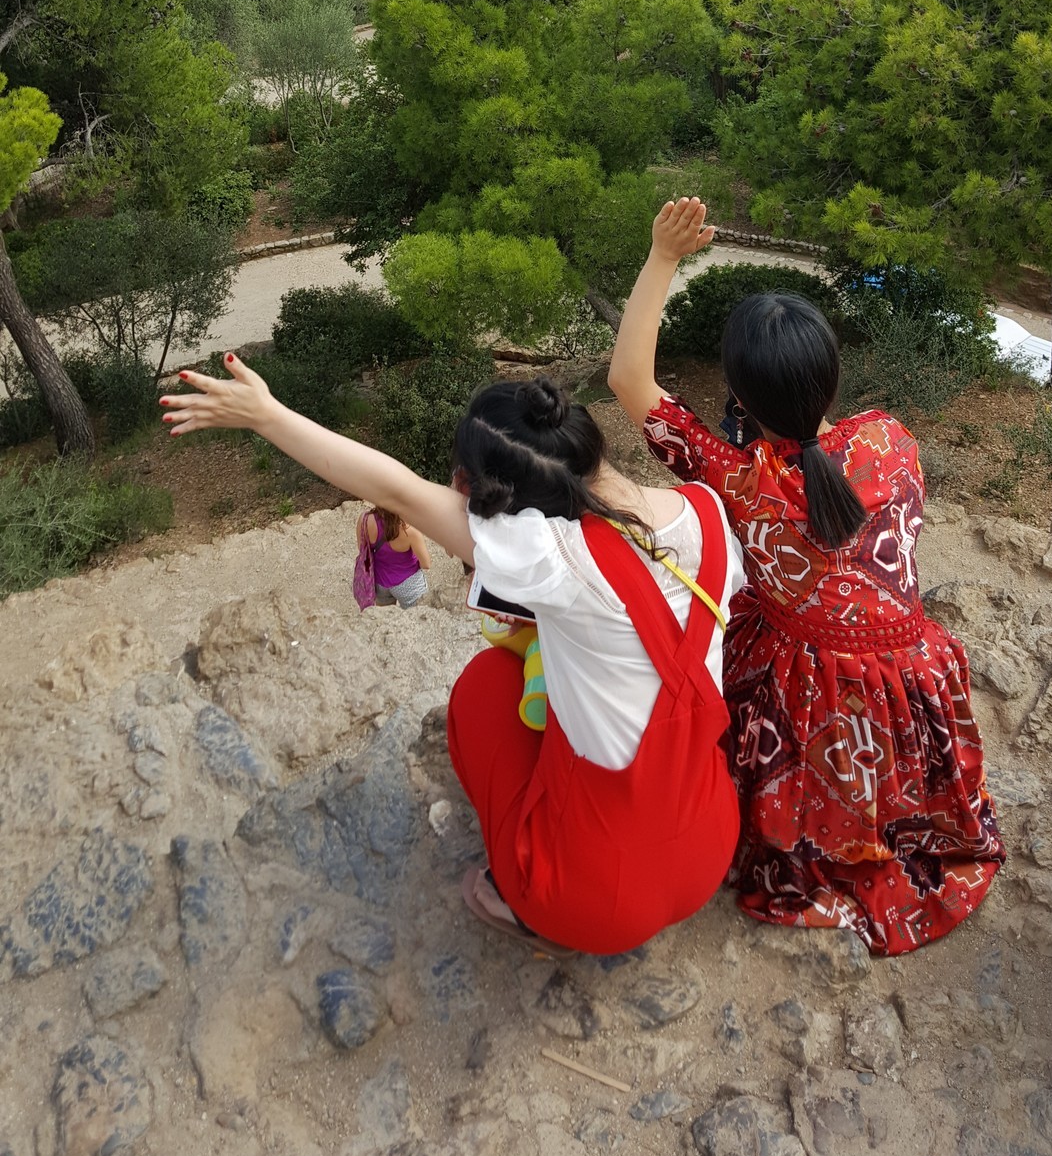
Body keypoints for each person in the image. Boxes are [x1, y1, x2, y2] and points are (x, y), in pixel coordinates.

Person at [160, 350, 744, 956]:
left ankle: (522, 902)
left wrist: (266, 415)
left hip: (594, 900)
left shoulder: (556, 558)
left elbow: (395, 489)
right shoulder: (707, 512)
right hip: (707, 845)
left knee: (488, 686)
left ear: (512, 502)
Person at [609, 196, 1005, 957]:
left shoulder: (739, 478)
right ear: (830, 375)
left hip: (805, 690)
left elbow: (629, 379)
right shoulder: (891, 441)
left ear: (740, 397)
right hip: (913, 687)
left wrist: (662, 258)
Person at [355, 505, 430, 610]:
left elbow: (363, 550)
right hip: (408, 583)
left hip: (379, 582)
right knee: (418, 618)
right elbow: (426, 564)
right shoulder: (410, 530)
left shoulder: (364, 519)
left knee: (387, 620)